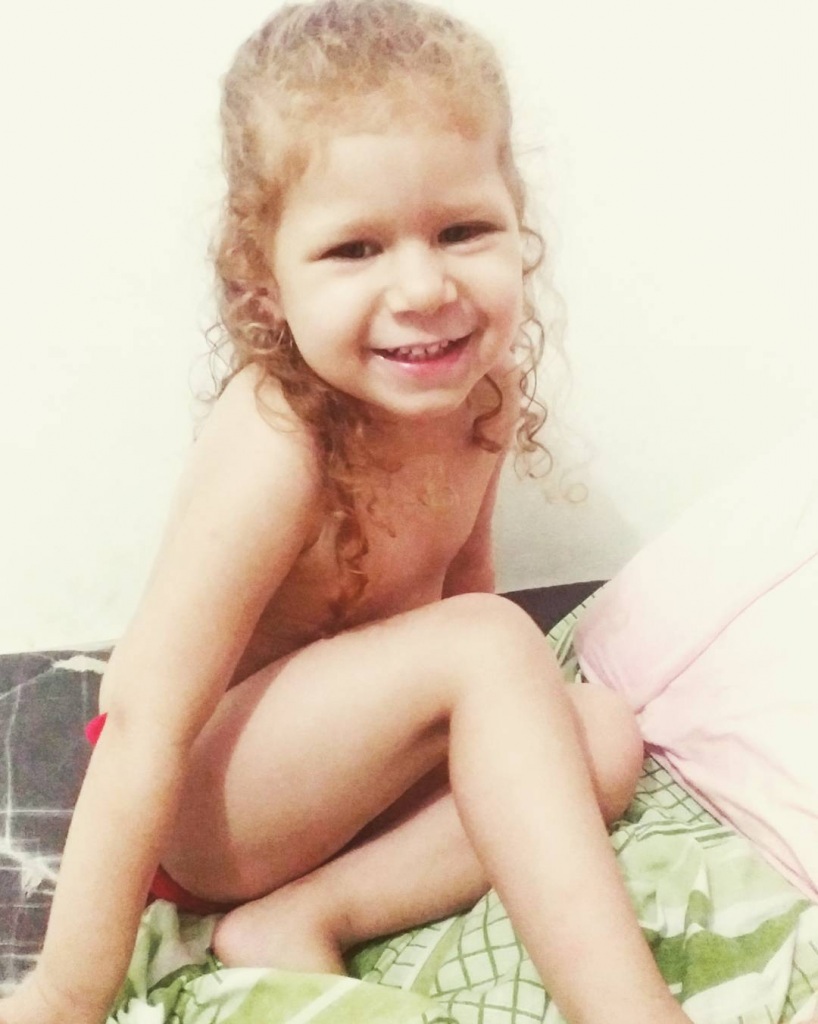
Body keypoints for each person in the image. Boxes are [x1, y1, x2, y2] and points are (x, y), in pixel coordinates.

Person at [0, 3, 692, 1023]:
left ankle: (301, 916)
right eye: (354, 248)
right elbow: (145, 718)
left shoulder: (483, 398)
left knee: (598, 734)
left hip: (334, 799)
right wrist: (65, 990)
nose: (422, 286)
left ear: (519, 224)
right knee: (493, 643)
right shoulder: (280, 444)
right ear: (263, 281)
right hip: (204, 810)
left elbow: (463, 604)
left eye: (462, 230)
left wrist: (503, 743)